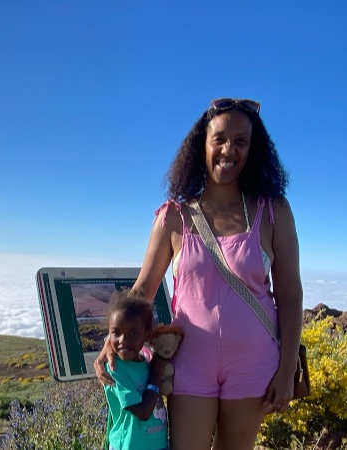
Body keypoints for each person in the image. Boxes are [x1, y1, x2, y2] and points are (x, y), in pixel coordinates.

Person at [95, 98, 303, 450]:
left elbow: (290, 295)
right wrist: (109, 341)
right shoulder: (174, 216)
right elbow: (142, 291)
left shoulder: (274, 212)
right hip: (190, 364)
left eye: (241, 141)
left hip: (253, 364)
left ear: (253, 149)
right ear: (202, 145)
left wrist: (286, 372)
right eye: (219, 139)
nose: (229, 150)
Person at [103, 288, 169, 450]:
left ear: (147, 335)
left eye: (133, 333)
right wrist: (156, 373)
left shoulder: (147, 360)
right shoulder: (115, 369)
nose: (123, 340)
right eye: (116, 333)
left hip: (158, 445)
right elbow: (143, 412)